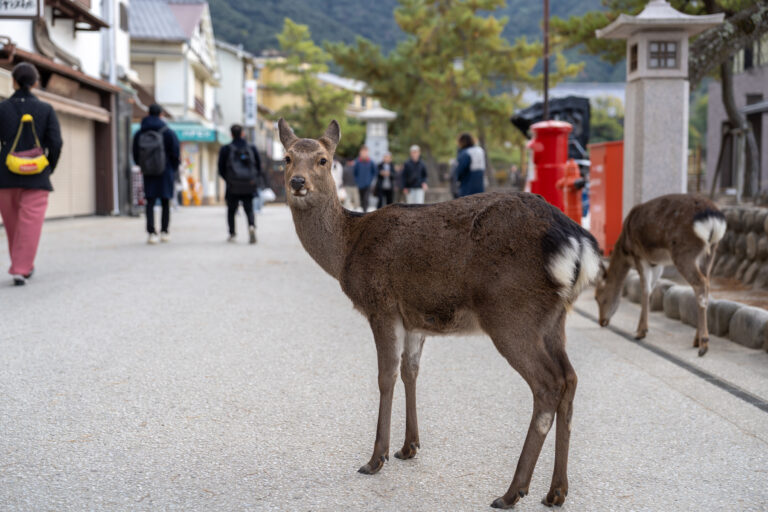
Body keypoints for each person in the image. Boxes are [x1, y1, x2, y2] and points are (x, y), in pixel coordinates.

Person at [0, 63, 62, 286]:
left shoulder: (2, 108)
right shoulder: (46, 109)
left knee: (13, 225)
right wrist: (49, 167)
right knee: (30, 224)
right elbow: (55, 143)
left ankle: (21, 264)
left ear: (13, 81)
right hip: (37, 176)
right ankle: (21, 268)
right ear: (35, 83)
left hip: (5, 175)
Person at [133, 103, 180, 244]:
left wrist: (143, 166)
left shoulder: (140, 132)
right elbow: (175, 153)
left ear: (148, 113)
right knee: (166, 201)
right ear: (161, 115)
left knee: (150, 201)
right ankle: (165, 232)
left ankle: (151, 233)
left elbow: (135, 153)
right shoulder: (168, 132)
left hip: (148, 171)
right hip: (166, 171)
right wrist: (172, 168)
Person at [218, 124, 262, 244]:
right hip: (248, 183)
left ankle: (232, 234)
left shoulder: (226, 149)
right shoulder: (251, 148)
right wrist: (253, 179)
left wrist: (229, 179)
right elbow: (258, 166)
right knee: (249, 209)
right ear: (243, 133)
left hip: (233, 185)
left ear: (231, 134)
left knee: (231, 210)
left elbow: (221, 169)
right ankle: (251, 226)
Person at [455, 133, 486, 197]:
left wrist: (457, 178)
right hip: (480, 184)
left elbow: (460, 170)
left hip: (468, 185)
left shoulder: (465, 153)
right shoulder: (480, 150)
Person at [353, 145, 377, 212]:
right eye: (362, 152)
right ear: (360, 153)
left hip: (367, 184)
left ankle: (365, 212)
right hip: (360, 184)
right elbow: (355, 173)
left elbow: (374, 172)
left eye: (365, 152)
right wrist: (357, 180)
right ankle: (363, 211)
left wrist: (370, 180)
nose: (363, 154)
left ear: (367, 152)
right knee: (361, 199)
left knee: (366, 199)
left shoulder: (371, 162)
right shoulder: (357, 162)